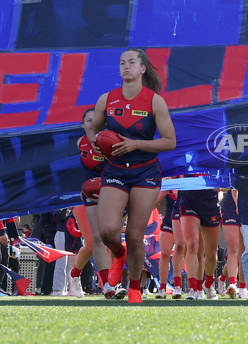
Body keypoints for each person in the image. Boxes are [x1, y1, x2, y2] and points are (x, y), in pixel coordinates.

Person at [85, 48, 176, 304]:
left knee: (136, 235)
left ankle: (135, 288)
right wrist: (95, 140)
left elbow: (169, 142)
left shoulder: (155, 101)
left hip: (145, 172)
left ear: (142, 68)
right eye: (122, 63)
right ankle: (119, 254)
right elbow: (93, 129)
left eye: (132, 62)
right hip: (115, 171)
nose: (126, 67)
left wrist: (136, 144)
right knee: (108, 232)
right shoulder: (107, 99)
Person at [70, 108, 112, 298]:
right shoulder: (80, 143)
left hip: (110, 195)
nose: (92, 124)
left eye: (96, 121)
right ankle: (75, 275)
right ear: (82, 125)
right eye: (88, 121)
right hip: (83, 196)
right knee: (92, 242)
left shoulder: (111, 142)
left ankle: (110, 284)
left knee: (109, 241)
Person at [178, 188, 221, 300]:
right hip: (189, 201)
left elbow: (225, 185)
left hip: (210, 203)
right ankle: (193, 289)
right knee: (192, 244)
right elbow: (172, 175)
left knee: (211, 254)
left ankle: (208, 284)